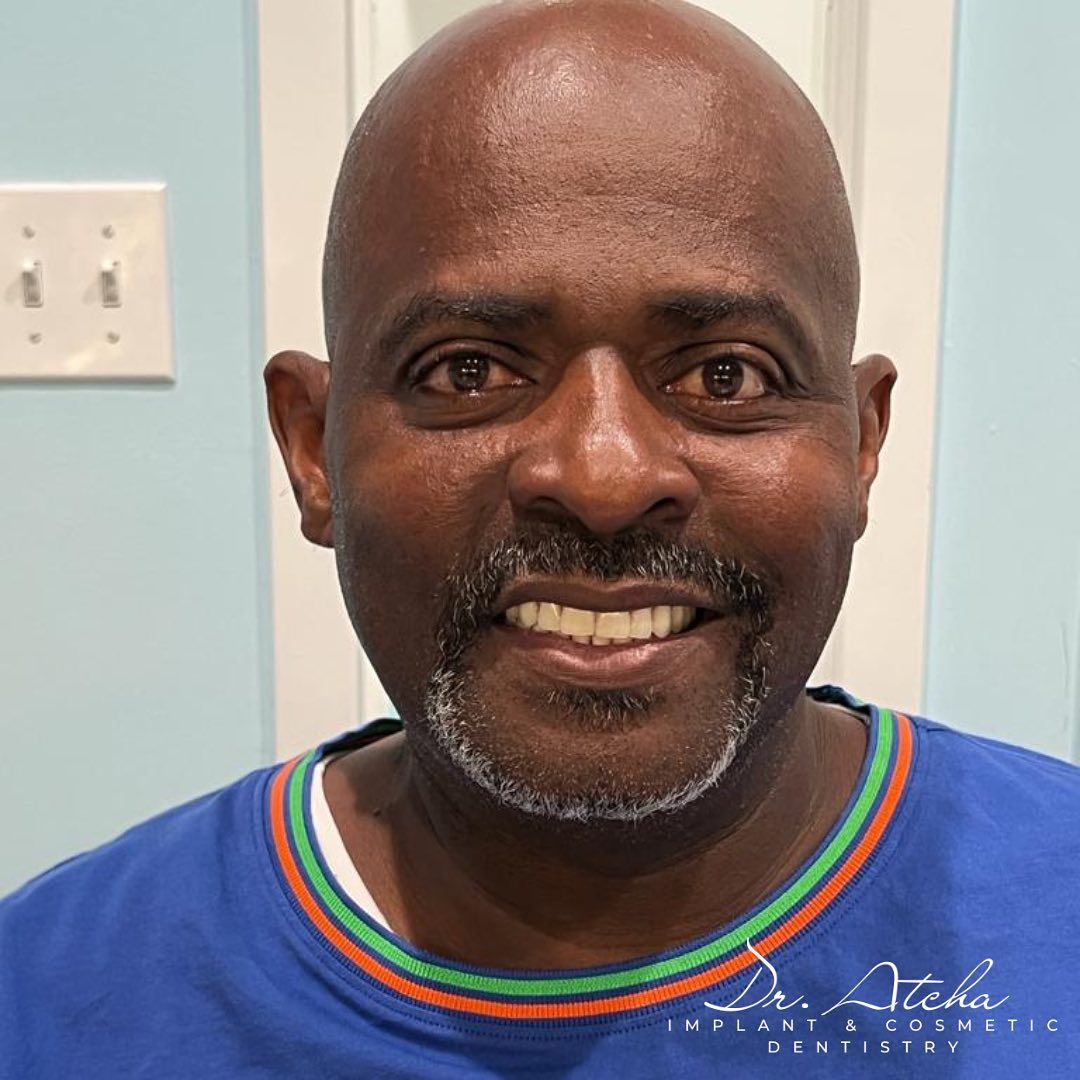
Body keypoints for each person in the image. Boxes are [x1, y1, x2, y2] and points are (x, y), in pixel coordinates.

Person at [2, 1, 1077, 1076]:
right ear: (313, 450)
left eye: (725, 374)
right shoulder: (49, 1001)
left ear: (861, 447)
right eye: (467, 370)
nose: (606, 477)